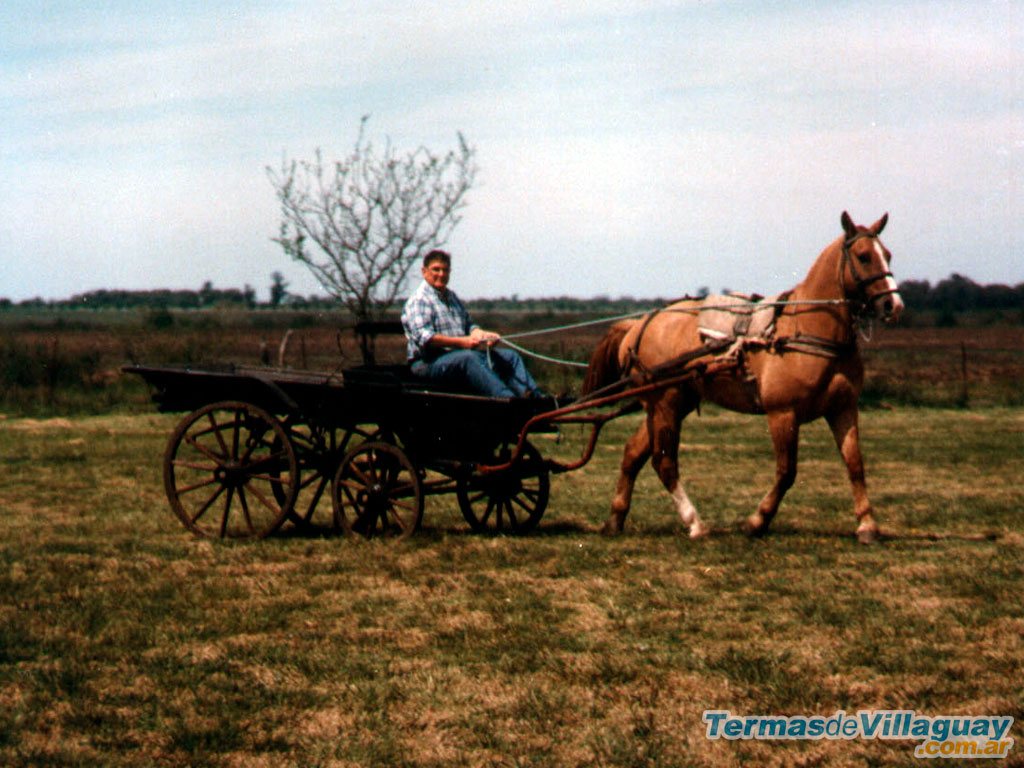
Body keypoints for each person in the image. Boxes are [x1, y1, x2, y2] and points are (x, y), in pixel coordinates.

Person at [401, 250, 543, 398]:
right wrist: (462, 342)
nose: (441, 274)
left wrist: (481, 334)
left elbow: (468, 325)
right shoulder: (419, 300)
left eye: (445, 270)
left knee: (510, 357)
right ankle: (507, 399)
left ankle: (535, 398)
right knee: (470, 358)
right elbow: (425, 338)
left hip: (457, 357)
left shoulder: (451, 297)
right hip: (427, 364)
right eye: (436, 269)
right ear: (424, 272)